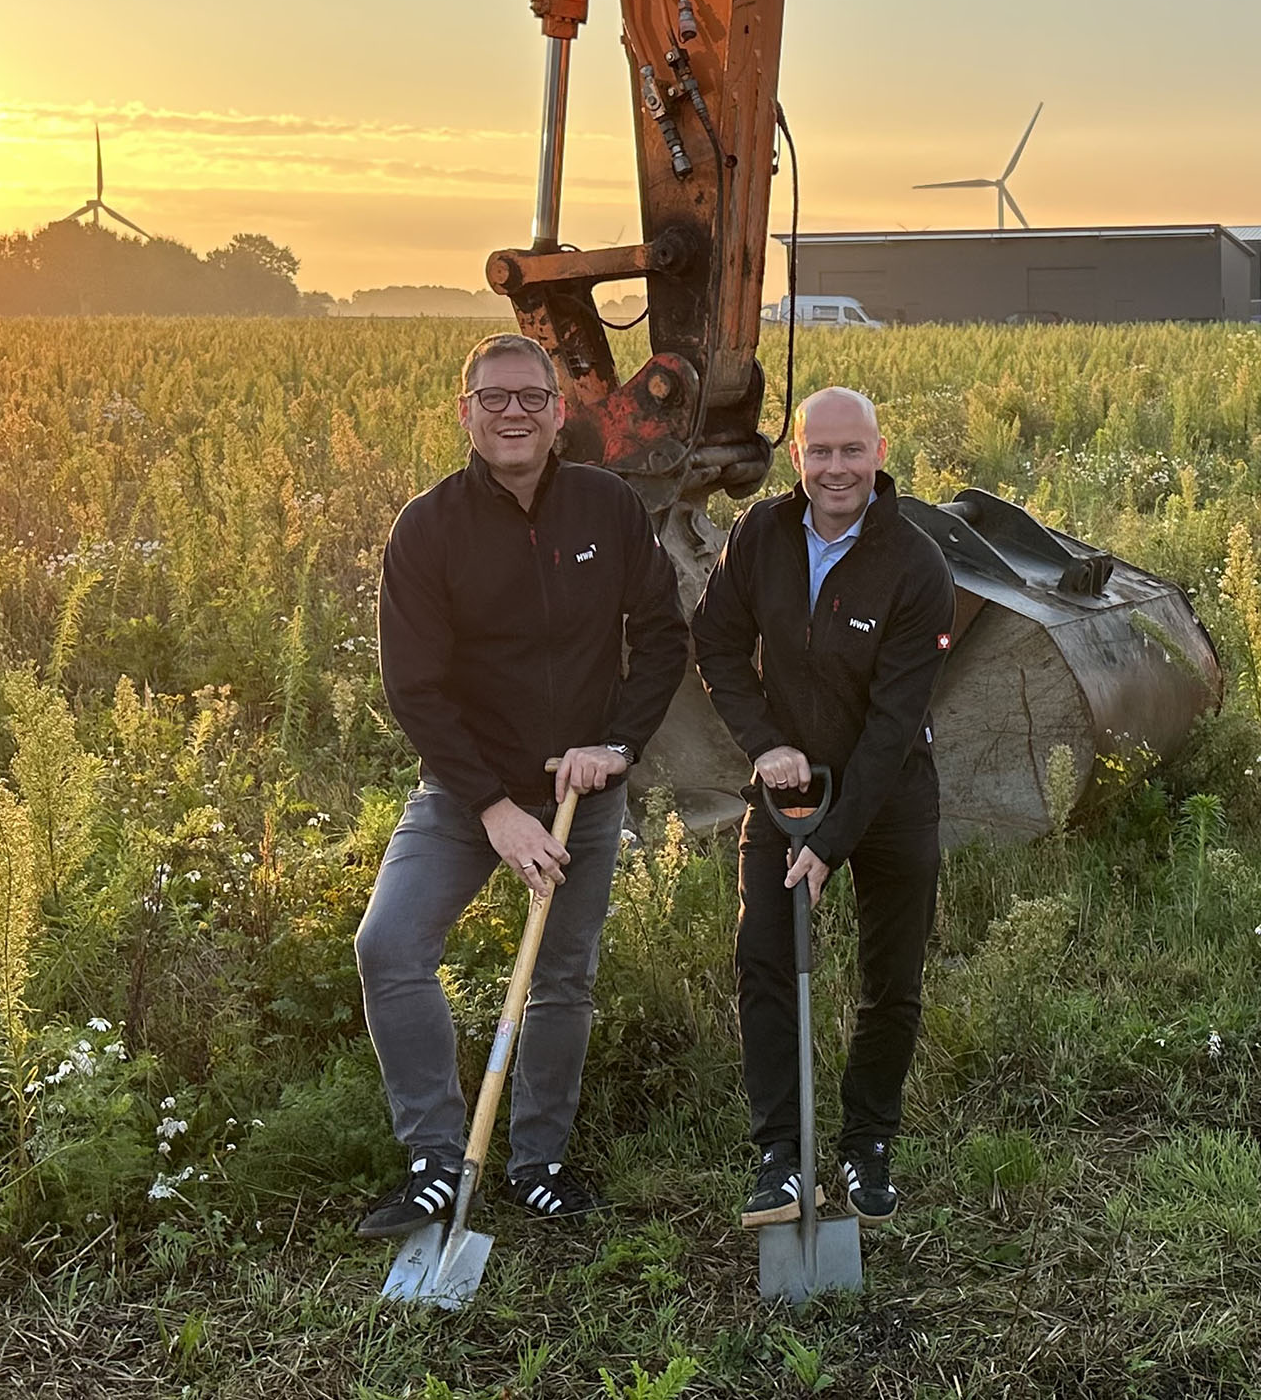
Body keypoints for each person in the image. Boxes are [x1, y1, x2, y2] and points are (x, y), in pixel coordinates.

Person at [351, 332, 690, 1239]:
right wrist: (493, 806)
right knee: (389, 946)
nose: (513, 413)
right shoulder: (427, 529)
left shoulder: (607, 507)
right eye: (493, 398)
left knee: (561, 976)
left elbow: (663, 634)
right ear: (465, 412)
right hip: (467, 793)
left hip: (584, 787)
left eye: (532, 398)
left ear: (557, 411)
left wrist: (613, 743)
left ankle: (538, 1160)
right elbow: (413, 688)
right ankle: (434, 1159)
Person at [691, 386, 954, 1229]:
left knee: (891, 982)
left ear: (879, 453)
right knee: (763, 959)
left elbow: (889, 727)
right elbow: (717, 644)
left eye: (853, 451)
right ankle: (782, 1154)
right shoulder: (759, 536)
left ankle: (867, 1143)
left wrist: (832, 842)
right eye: (820, 451)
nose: (836, 468)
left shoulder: (917, 566)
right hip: (786, 793)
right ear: (796, 456)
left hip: (889, 798)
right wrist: (764, 742)